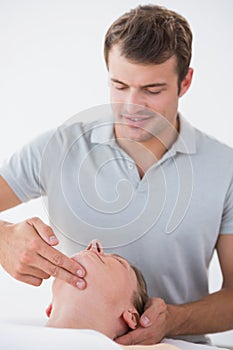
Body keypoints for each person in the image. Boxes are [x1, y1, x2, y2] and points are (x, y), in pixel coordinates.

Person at [0, 3, 233, 346]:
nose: (131, 107)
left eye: (152, 90)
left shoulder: (225, 170)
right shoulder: (59, 147)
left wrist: (172, 321)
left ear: (185, 82)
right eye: (119, 85)